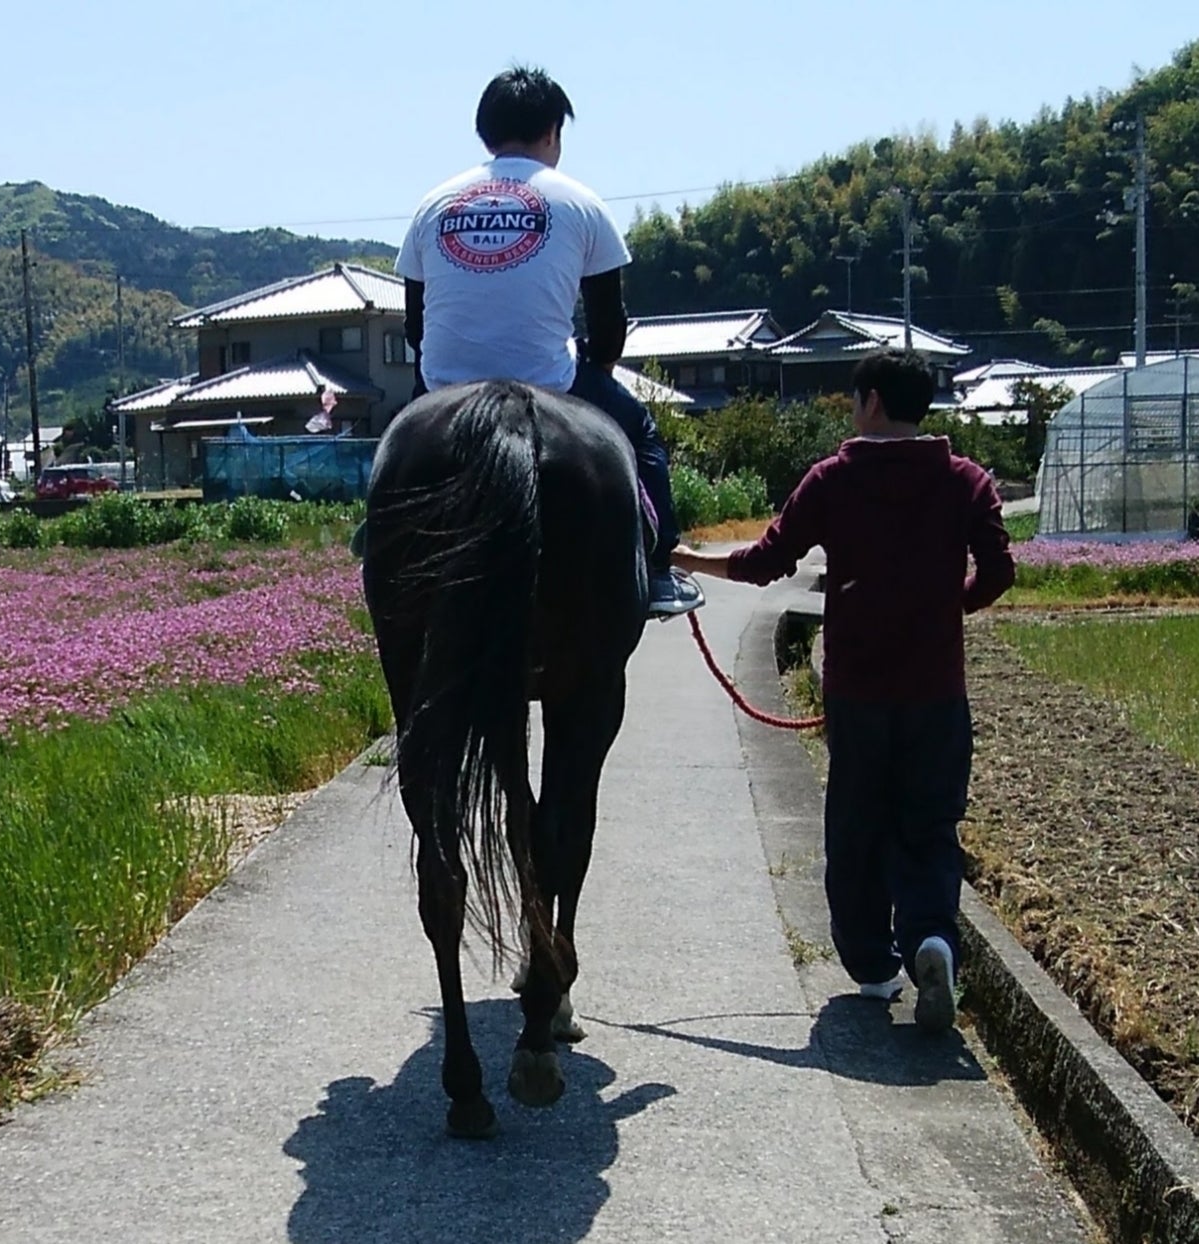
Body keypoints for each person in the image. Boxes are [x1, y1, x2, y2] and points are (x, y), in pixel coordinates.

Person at [673, 349, 1016, 1031]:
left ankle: (873, 967)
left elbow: (765, 561)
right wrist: (948, 608)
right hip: (936, 689)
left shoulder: (834, 478)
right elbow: (999, 570)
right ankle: (931, 940)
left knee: (857, 825)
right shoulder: (964, 479)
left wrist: (683, 559)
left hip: (858, 691)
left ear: (872, 402)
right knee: (929, 825)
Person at [397, 65, 702, 616]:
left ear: (485, 133)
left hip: (444, 385)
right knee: (641, 432)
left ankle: (379, 546)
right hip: (549, 382)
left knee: (398, 452)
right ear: (552, 132)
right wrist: (597, 365)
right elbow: (608, 327)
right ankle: (659, 569)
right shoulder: (580, 202)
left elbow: (415, 328)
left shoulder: (432, 206)